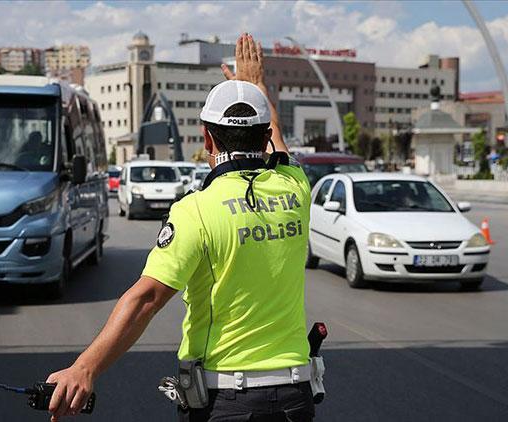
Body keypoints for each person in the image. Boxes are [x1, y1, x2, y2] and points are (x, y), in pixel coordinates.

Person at [45, 33, 314, 421]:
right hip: (295, 397)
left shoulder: (197, 210)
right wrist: (256, 87)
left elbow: (147, 299)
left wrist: (85, 367)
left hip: (228, 402)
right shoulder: (295, 187)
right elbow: (280, 145)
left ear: (207, 137)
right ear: (264, 135)